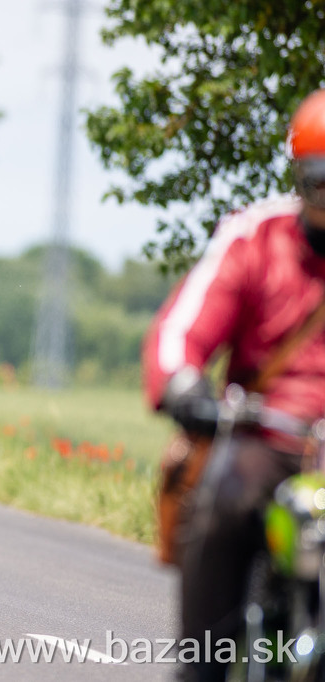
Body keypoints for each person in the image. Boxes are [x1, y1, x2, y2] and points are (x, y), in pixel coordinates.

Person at [143, 89, 325, 681]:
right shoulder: (256, 236)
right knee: (225, 499)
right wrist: (182, 385)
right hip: (268, 435)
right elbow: (183, 329)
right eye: (321, 184)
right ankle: (202, 666)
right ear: (299, 178)